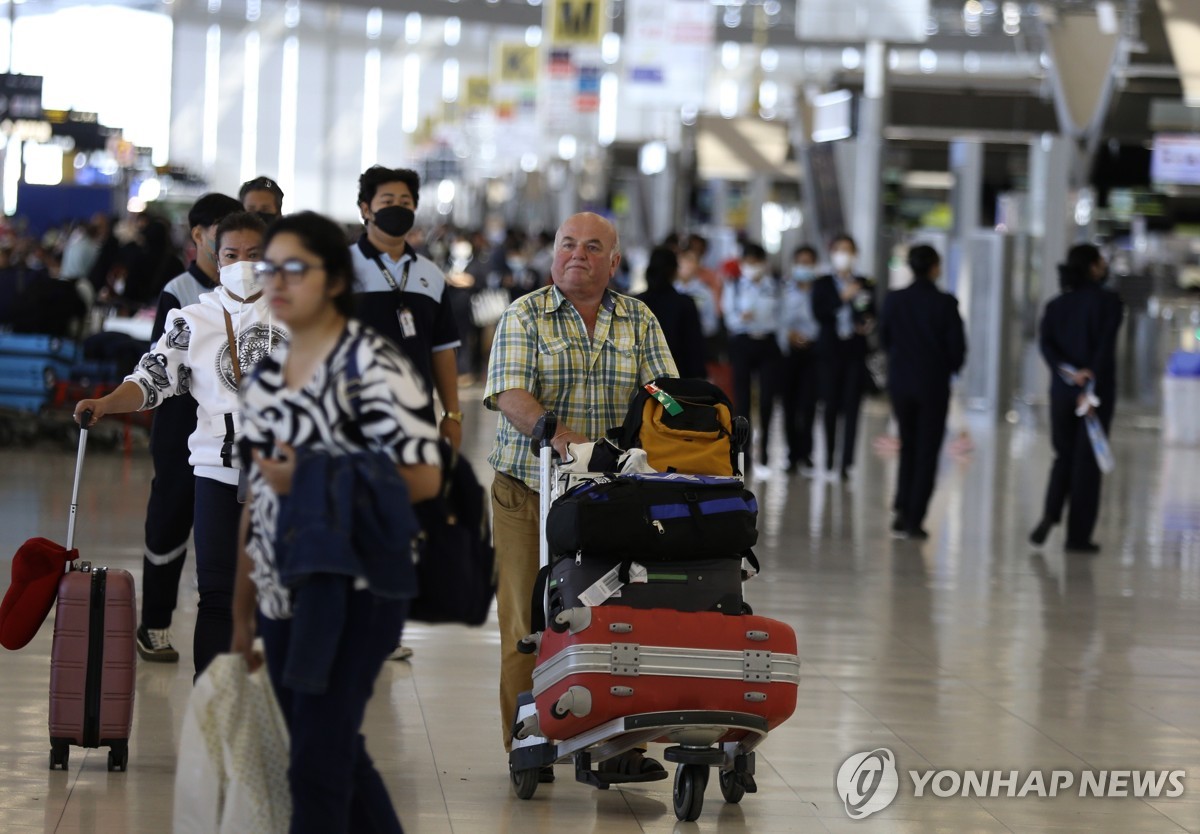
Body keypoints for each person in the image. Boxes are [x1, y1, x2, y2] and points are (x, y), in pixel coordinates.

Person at [232, 211, 441, 834]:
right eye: (271, 267)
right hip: (281, 586)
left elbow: (424, 476)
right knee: (330, 752)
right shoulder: (267, 374)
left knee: (315, 768)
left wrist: (316, 474)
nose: (278, 281)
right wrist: (241, 611)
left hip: (354, 588)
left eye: (296, 268)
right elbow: (256, 497)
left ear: (334, 281)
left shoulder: (374, 365)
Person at [484, 212, 676, 777]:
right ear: (553, 254)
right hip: (529, 487)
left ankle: (617, 743)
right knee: (528, 621)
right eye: (568, 243)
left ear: (614, 262)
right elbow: (509, 392)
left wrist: (672, 430)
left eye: (593, 248)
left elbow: (661, 393)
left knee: (620, 613)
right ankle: (529, 740)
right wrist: (562, 439)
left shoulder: (638, 319)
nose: (578, 255)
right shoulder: (525, 315)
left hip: (610, 497)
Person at [74, 211, 285, 678]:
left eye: (254, 254)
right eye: (231, 254)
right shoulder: (193, 319)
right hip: (215, 471)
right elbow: (151, 378)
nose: (242, 263)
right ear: (213, 255)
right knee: (216, 595)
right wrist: (107, 403)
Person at [135, 192, 243, 663]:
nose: (241, 260)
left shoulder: (282, 307)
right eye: (231, 250)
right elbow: (160, 369)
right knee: (171, 522)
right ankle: (155, 623)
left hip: (253, 458)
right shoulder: (182, 296)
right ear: (203, 239)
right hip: (187, 434)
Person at [350, 166, 462, 449]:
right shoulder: (339, 269)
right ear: (366, 209)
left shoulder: (432, 274)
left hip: (416, 421)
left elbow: (443, 349)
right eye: (387, 202)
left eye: (405, 203)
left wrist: (451, 414)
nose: (397, 209)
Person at [1030, 244, 1124, 553]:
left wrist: (1069, 373)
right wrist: (1089, 374)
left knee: (1063, 455)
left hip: (1062, 391)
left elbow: (1046, 345)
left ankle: (1050, 513)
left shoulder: (1056, 305)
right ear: (1094, 267)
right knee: (1087, 462)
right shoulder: (1110, 303)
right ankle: (1078, 536)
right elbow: (1105, 346)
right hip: (1095, 394)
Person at [879, 245, 967, 540]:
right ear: (934, 267)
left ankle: (902, 509)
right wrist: (945, 367)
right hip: (932, 384)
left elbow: (883, 338)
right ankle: (915, 518)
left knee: (908, 445)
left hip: (901, 382)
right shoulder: (945, 303)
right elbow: (957, 350)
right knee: (928, 450)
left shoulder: (895, 300)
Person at [812, 233, 877, 481]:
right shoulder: (824, 283)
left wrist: (867, 322)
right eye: (839, 249)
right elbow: (820, 313)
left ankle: (847, 462)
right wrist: (842, 298)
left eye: (848, 250)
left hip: (854, 352)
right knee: (829, 406)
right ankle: (828, 457)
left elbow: (871, 311)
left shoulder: (865, 283)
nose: (843, 255)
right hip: (829, 352)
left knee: (852, 406)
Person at [721, 242, 781, 476]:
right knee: (743, 402)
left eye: (757, 262)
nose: (752, 267)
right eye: (748, 262)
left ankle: (765, 453)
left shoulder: (774, 286)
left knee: (766, 400)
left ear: (764, 264)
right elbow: (729, 318)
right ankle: (744, 456)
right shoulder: (735, 285)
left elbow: (780, 317)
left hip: (768, 345)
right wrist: (742, 319)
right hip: (742, 343)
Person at [779, 245, 821, 475]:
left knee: (808, 404)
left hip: (813, 352)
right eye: (800, 262)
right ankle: (791, 454)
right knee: (789, 405)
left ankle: (807, 453)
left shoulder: (820, 291)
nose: (804, 267)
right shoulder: (784, 290)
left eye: (808, 262)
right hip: (789, 353)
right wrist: (790, 335)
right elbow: (778, 317)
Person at [636, 246, 707, 378]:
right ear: (674, 271)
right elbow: (695, 349)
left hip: (644, 383)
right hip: (679, 382)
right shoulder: (685, 304)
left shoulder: (636, 304)